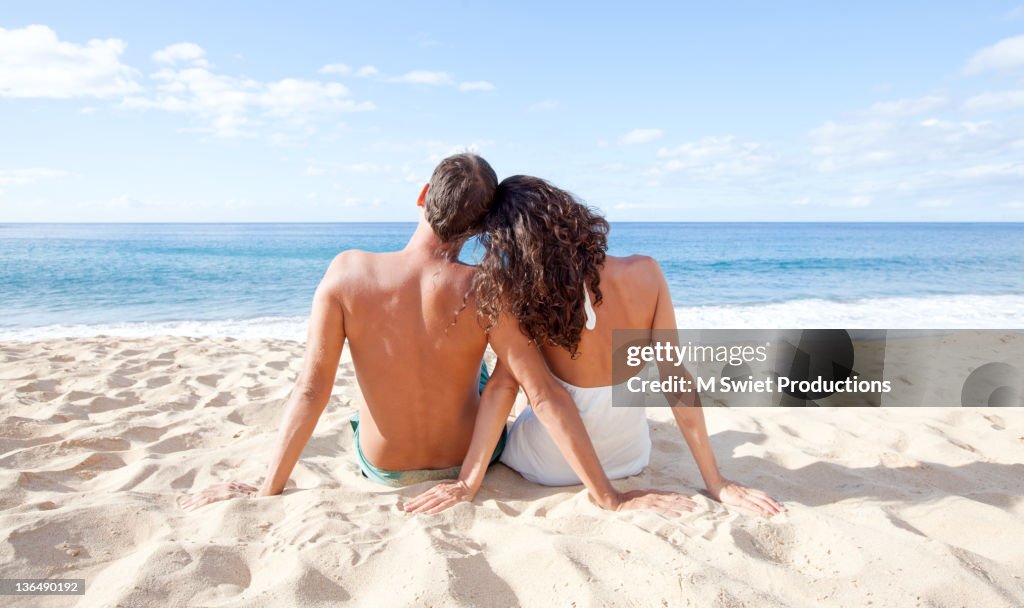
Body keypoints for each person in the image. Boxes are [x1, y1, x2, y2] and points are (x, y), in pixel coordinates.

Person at [179, 155, 693, 516]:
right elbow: (544, 391)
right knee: (496, 372)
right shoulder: (486, 288)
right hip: (467, 460)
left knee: (363, 406)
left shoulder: (346, 273)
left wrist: (267, 488)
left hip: (384, 470)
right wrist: (609, 496)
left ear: (423, 195)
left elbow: (310, 392)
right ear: (481, 227)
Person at [403, 175, 785, 516]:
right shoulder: (647, 272)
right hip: (629, 457)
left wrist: (468, 483)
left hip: (547, 465)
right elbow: (676, 381)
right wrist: (717, 482)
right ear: (569, 215)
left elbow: (506, 388)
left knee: (500, 380)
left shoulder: (526, 294)